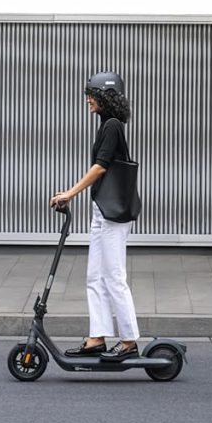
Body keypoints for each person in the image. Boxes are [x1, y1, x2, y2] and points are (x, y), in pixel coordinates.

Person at [49, 72, 141, 362]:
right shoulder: (106, 124)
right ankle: (97, 337)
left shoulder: (112, 125)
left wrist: (70, 193)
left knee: (114, 276)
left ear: (106, 96)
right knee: (95, 276)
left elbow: (100, 167)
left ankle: (129, 340)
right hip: (102, 209)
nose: (88, 99)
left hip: (113, 214)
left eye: (92, 94)